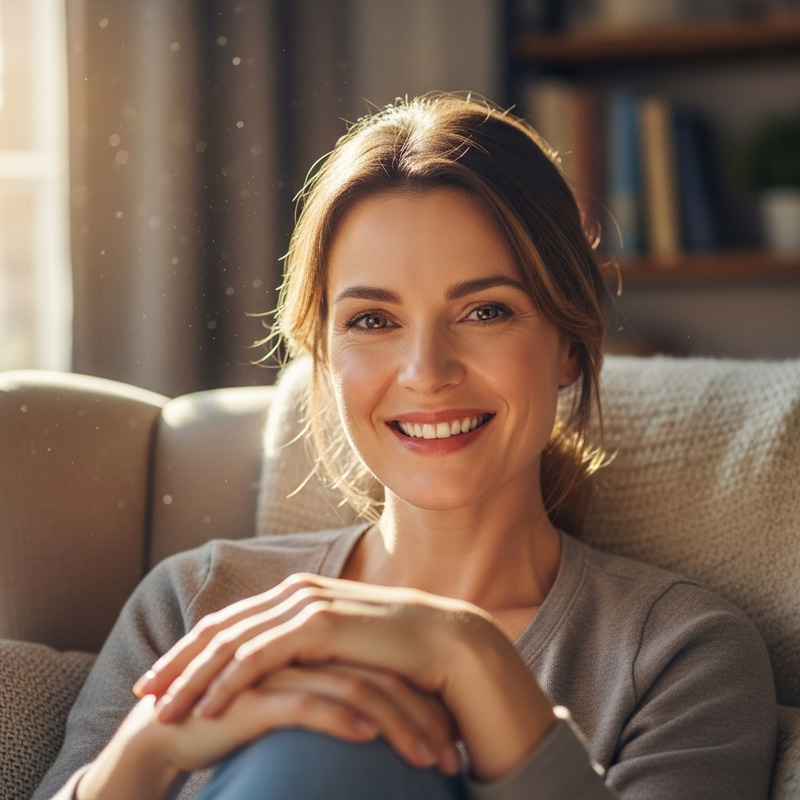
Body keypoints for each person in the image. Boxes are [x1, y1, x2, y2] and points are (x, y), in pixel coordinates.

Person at [35, 93, 776, 800]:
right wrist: (151, 747)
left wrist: (468, 655)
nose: (427, 373)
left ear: (568, 349)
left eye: (486, 311)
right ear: (323, 357)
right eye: (372, 321)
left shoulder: (678, 652)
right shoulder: (197, 605)